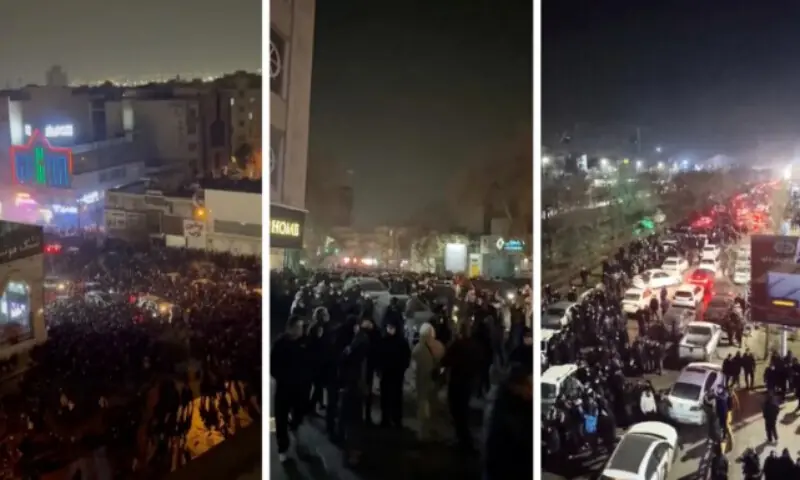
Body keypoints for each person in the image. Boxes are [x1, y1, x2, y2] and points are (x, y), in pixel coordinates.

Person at [482, 365, 532, 480]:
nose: (531, 391)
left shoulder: (511, 404)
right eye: (528, 386)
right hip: (506, 469)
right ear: (515, 387)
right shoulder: (507, 410)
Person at [270, 316, 310, 463]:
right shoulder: (280, 344)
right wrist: (285, 377)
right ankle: (283, 448)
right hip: (284, 388)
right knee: (280, 419)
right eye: (298, 327)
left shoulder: (304, 343)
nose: (301, 330)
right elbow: (273, 367)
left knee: (299, 414)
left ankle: (296, 433)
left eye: (301, 327)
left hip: (300, 389)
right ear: (290, 328)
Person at [441, 321, 483, 452]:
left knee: (457, 411)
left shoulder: (457, 345)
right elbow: (480, 362)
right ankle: (464, 439)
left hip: (457, 381)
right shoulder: (475, 346)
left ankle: (464, 440)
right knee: (463, 410)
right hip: (468, 382)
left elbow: (446, 360)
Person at [411, 322, 445, 443]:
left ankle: (423, 432)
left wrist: (412, 384)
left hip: (422, 381)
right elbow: (443, 364)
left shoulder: (417, 349)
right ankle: (433, 428)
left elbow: (413, 369)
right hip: (434, 381)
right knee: (433, 403)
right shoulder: (439, 346)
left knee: (422, 405)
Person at [377, 322, 411, 428]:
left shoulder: (401, 342)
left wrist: (402, 368)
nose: (390, 329)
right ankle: (386, 418)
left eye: (392, 327)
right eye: (389, 327)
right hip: (387, 373)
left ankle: (396, 419)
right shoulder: (384, 340)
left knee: (396, 397)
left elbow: (406, 357)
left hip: (396, 374)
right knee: (386, 397)